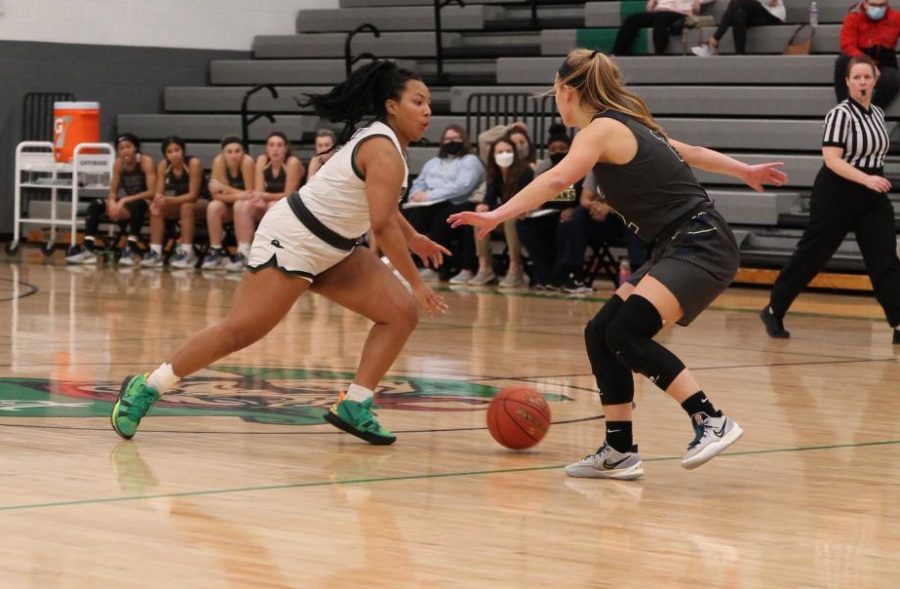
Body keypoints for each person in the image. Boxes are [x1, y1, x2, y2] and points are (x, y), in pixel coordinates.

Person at [450, 49, 788, 479]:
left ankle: (710, 418)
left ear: (567, 91)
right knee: (600, 332)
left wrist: (497, 214)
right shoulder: (628, 123)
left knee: (627, 333)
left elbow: (557, 179)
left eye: (555, 94)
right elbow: (692, 152)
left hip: (699, 241)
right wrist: (744, 170)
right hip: (676, 243)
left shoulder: (601, 129)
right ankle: (619, 448)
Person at [110, 61, 449, 445]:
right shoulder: (383, 149)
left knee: (400, 314)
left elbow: (382, 207)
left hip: (336, 248)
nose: (427, 111)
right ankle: (146, 387)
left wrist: (415, 236)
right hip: (294, 238)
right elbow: (382, 225)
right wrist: (418, 282)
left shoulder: (387, 145)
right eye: (418, 102)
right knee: (241, 331)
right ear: (391, 105)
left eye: (429, 104)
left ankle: (356, 404)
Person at [762, 55, 900, 345]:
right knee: (813, 255)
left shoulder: (876, 113)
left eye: (867, 77)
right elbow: (832, 160)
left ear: (875, 80)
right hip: (837, 192)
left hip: (872, 194)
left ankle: (899, 323)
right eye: (857, 77)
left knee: (884, 258)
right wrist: (866, 179)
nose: (862, 82)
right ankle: (774, 309)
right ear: (848, 81)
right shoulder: (839, 115)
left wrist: (871, 181)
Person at [403, 124, 484, 281]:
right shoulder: (433, 162)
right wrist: (415, 196)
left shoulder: (470, 161)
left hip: (458, 202)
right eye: (447, 139)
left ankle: (438, 266)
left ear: (463, 140)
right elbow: (419, 182)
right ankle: (416, 263)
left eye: (455, 138)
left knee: (441, 218)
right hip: (429, 203)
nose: (451, 142)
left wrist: (429, 196)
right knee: (415, 215)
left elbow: (462, 186)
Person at [66, 133, 155, 266]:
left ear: (135, 147)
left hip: (147, 204)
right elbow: (113, 191)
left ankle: (131, 247)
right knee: (96, 204)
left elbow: (152, 192)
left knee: (138, 204)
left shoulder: (145, 161)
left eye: (128, 147)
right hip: (128, 203)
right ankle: (89, 248)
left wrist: (124, 200)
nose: (125, 150)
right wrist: (112, 202)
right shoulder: (119, 164)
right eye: (121, 148)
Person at [516, 130, 587, 291]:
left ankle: (562, 274)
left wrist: (574, 209)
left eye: (562, 148)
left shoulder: (581, 169)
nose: (557, 152)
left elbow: (587, 197)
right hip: (547, 213)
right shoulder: (545, 170)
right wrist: (530, 209)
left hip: (571, 213)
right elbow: (536, 196)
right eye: (553, 150)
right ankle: (544, 274)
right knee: (524, 225)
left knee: (567, 224)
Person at [227, 132, 304, 273]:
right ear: (267, 149)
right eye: (271, 145)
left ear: (286, 149)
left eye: (279, 145)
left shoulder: (292, 162)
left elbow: (288, 195)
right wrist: (259, 199)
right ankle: (243, 252)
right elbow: (258, 191)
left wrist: (263, 196)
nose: (275, 149)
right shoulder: (262, 160)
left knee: (272, 206)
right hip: (269, 204)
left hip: (292, 209)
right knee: (241, 205)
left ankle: (272, 254)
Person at [141, 136, 204, 269]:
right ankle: (156, 252)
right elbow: (159, 193)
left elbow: (193, 196)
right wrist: (157, 202)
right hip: (179, 203)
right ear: (165, 154)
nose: (174, 154)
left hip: (202, 202)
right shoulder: (163, 165)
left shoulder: (193, 163)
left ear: (183, 150)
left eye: (177, 150)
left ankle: (187, 252)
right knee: (157, 208)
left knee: (186, 207)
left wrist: (168, 200)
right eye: (170, 152)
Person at [201, 136, 256, 270]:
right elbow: (215, 196)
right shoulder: (218, 162)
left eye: (237, 151)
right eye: (229, 151)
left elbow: (250, 195)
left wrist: (225, 189)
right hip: (229, 206)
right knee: (213, 206)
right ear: (223, 153)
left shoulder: (248, 162)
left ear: (243, 152)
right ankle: (215, 251)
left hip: (248, 208)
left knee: (240, 205)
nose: (234, 155)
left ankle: (243, 253)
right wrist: (239, 195)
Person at [833, 0, 900, 108]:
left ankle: (869, 113)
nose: (878, 8)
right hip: (859, 59)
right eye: (873, 5)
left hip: (884, 62)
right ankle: (844, 109)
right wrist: (869, 64)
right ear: (865, 4)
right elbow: (847, 44)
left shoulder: (896, 18)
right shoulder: (853, 17)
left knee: (892, 79)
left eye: (881, 5)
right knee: (842, 62)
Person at [691, 0, 785, 56]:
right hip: (753, 12)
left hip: (772, 14)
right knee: (738, 14)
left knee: (736, 2)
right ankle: (740, 56)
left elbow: (772, 2)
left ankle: (714, 41)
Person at [612, 0, 701, 56]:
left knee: (660, 19)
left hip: (681, 13)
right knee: (632, 19)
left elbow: (698, 6)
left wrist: (698, 2)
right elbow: (649, 8)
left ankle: (659, 55)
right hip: (659, 11)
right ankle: (616, 54)